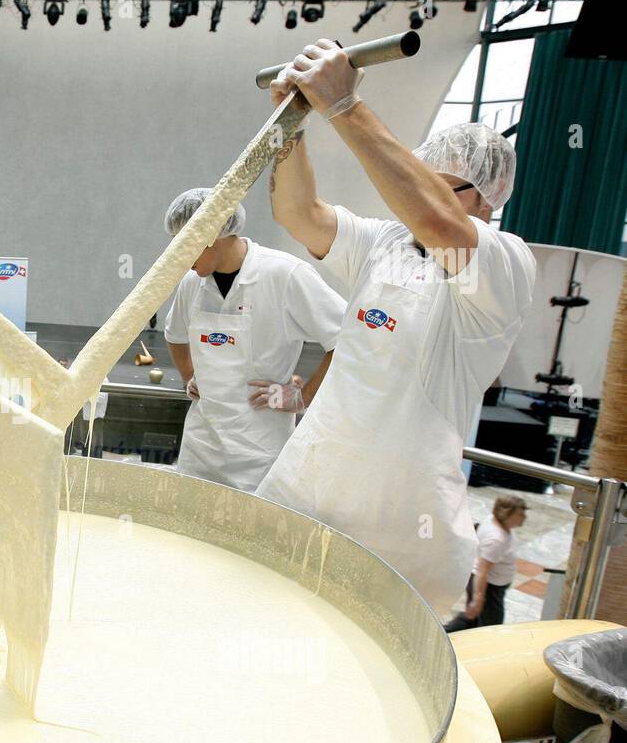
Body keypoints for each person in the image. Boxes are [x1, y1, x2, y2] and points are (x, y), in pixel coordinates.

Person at [256, 39, 537, 614]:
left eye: (437, 183)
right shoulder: (383, 243)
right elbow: (298, 213)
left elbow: (439, 221)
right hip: (310, 492)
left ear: (483, 200)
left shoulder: (502, 264)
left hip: (402, 532)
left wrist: (344, 106)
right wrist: (292, 124)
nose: (410, 198)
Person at [163, 188, 343, 492]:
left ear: (213, 235)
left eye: (185, 248)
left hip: (258, 454)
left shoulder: (284, 274)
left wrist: (302, 397)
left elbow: (346, 338)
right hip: (201, 450)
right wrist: (189, 375)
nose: (179, 260)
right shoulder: (192, 284)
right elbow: (175, 335)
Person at [444, 495, 528, 631]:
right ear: (506, 514)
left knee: (473, 618)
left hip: (491, 586)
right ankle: (445, 632)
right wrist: (479, 600)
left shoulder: (493, 520)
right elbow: (482, 573)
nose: (524, 517)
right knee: (489, 626)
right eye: (520, 513)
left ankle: (446, 632)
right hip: (489, 589)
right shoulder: (496, 540)